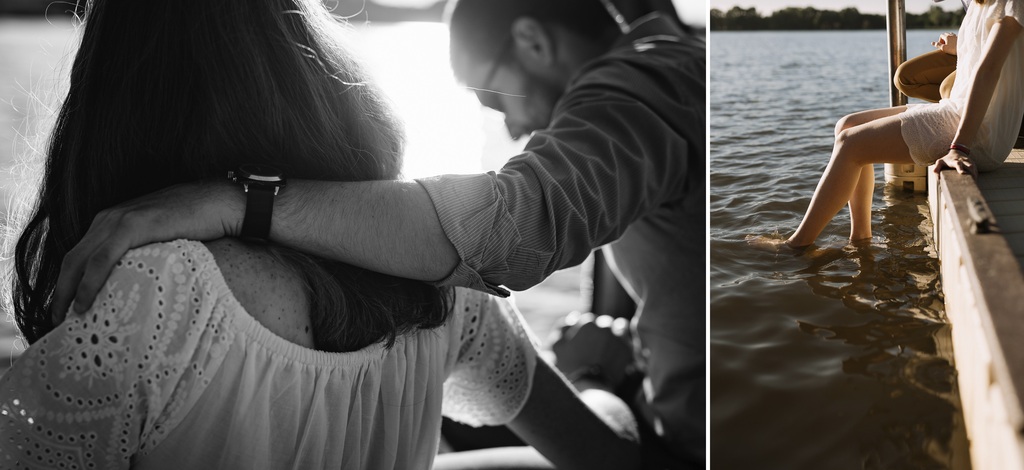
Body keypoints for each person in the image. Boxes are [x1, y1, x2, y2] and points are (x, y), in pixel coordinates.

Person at [49, 0, 706, 466]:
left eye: (490, 95)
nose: (508, 130)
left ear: (533, 40)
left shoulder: (640, 87)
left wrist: (240, 198)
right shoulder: (667, 71)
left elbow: (508, 231)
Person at [780, 0, 1024, 249]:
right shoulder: (979, 4)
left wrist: (959, 148)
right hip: (954, 109)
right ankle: (860, 238)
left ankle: (797, 246)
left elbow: (989, 71)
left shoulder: (1012, 3)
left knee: (850, 143)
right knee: (846, 125)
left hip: (979, 132)